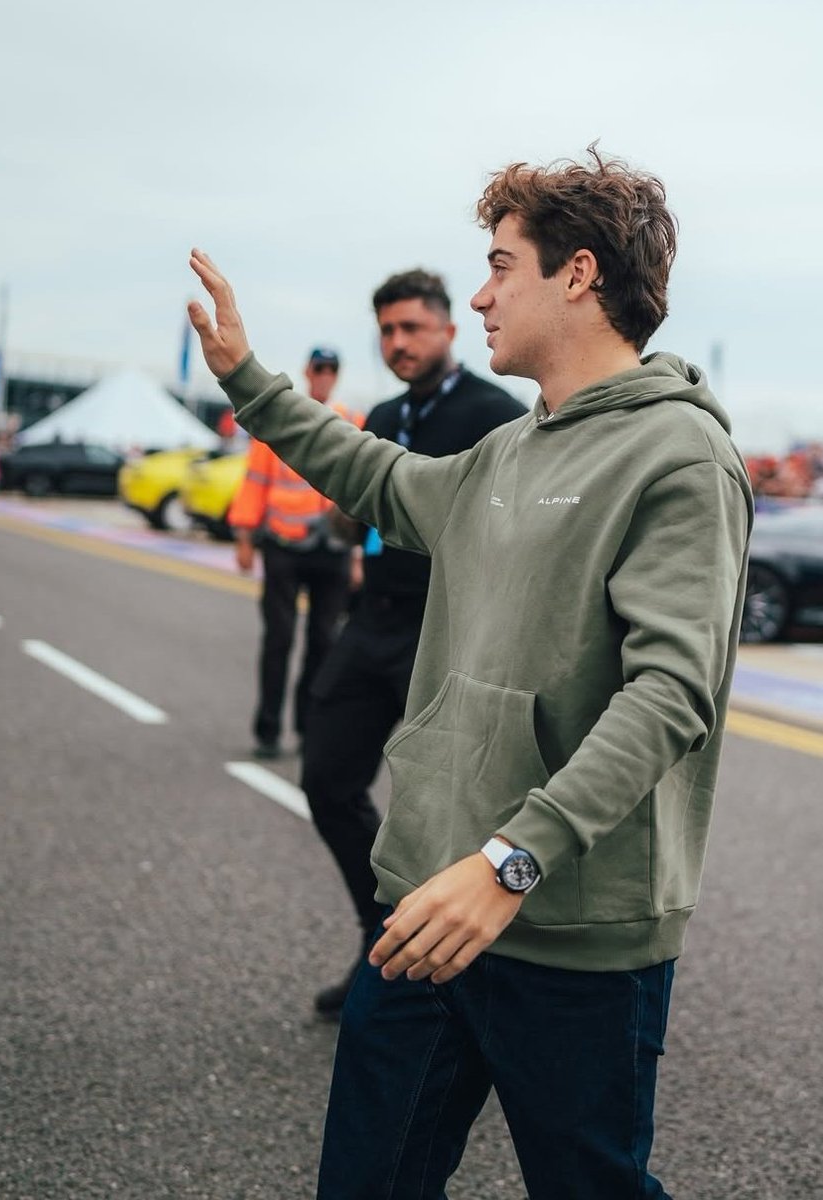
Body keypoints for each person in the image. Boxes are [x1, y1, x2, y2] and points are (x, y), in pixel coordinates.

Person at [188, 147, 753, 1199]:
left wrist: (509, 866)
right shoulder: (508, 450)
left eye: (499, 266)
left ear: (577, 275)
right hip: (425, 909)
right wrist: (245, 379)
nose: (481, 296)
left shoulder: (679, 456)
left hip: (566, 937)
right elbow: (375, 473)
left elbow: (670, 696)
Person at [300, 270, 526, 1017]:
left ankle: (456, 974)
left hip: (450, 629)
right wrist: (340, 514)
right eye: (387, 331)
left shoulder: (497, 416)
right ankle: (386, 937)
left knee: (448, 815)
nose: (397, 342)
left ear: (448, 331)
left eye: (411, 328)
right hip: (372, 621)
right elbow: (359, 510)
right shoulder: (385, 414)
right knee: (326, 780)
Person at [228, 347, 363, 757]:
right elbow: (254, 481)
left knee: (324, 642)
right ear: (307, 371)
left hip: (333, 549)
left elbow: (363, 492)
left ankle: (309, 730)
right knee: (279, 640)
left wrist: (359, 555)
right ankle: (268, 732)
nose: (325, 376)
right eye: (319, 368)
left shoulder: (354, 422)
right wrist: (244, 538)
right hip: (284, 545)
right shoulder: (281, 418)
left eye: (332, 370)